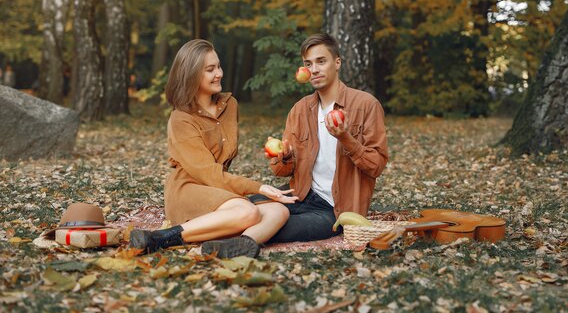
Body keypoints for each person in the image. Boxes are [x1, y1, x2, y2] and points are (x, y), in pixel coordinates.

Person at [130, 39, 296, 258]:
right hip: (188, 188)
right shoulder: (181, 119)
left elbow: (220, 170)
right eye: (210, 69)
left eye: (218, 66)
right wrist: (258, 187)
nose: (219, 73)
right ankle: (161, 238)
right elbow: (206, 172)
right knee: (247, 211)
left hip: (218, 188)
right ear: (191, 75)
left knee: (279, 211)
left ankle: (236, 246)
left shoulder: (230, 105)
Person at [252, 33, 389, 242]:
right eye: (308, 64)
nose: (314, 69)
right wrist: (285, 156)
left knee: (273, 228)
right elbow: (282, 171)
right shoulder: (299, 110)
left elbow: (376, 165)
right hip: (299, 195)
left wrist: (346, 138)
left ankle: (232, 243)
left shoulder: (366, 105)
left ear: (337, 62)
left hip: (333, 210)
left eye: (321, 61)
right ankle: (185, 233)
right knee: (242, 209)